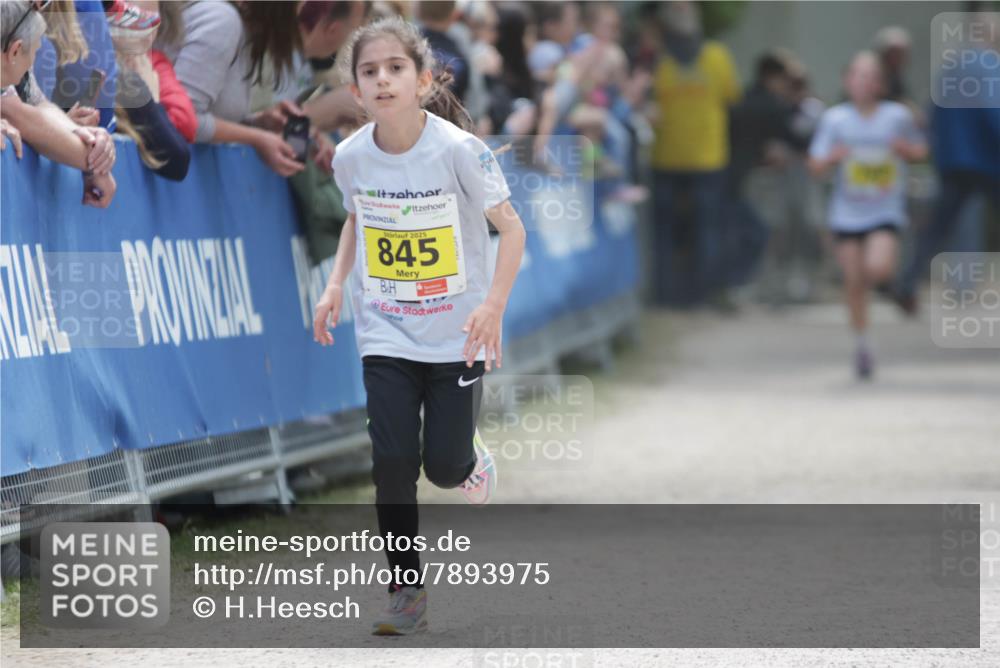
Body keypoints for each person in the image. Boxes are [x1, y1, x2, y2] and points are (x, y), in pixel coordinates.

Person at [312, 16, 526, 635]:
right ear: (355, 91)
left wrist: (492, 307)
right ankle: (406, 596)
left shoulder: (460, 151)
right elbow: (358, 220)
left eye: (395, 69)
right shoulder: (351, 157)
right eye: (369, 72)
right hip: (386, 331)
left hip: (457, 333)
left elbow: (510, 229)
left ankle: (467, 460)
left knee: (442, 467)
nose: (382, 80)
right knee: (393, 462)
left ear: (424, 80)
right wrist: (334, 284)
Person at [808, 51, 926, 379]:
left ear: (880, 84)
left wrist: (906, 151)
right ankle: (863, 343)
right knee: (853, 283)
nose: (863, 82)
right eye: (857, 75)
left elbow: (921, 150)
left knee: (878, 267)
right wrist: (833, 157)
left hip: (884, 209)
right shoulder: (835, 120)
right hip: (846, 213)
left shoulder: (897, 116)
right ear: (847, 81)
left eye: (870, 76)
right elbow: (814, 165)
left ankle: (892, 285)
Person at [894, 15, 1000, 314]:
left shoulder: (949, 69)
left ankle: (907, 283)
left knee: (937, 227)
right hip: (988, 161)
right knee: (942, 224)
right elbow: (994, 112)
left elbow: (932, 114)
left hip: (953, 160)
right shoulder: (989, 66)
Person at [649, 0, 740, 307]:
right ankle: (705, 294)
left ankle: (664, 294)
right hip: (708, 156)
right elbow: (731, 98)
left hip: (666, 156)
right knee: (708, 229)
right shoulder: (717, 57)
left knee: (665, 232)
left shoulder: (657, 61)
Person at [166, 0, 305, 177]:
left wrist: (257, 122)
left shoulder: (245, 29)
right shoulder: (223, 21)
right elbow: (180, 118)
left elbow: (205, 115)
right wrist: (256, 138)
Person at [1, 0, 116, 207]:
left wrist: (84, 135)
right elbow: (16, 113)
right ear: (16, 51)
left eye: (45, 3)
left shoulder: (15, 29)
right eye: (34, 54)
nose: (37, 5)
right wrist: (95, 159)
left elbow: (37, 103)